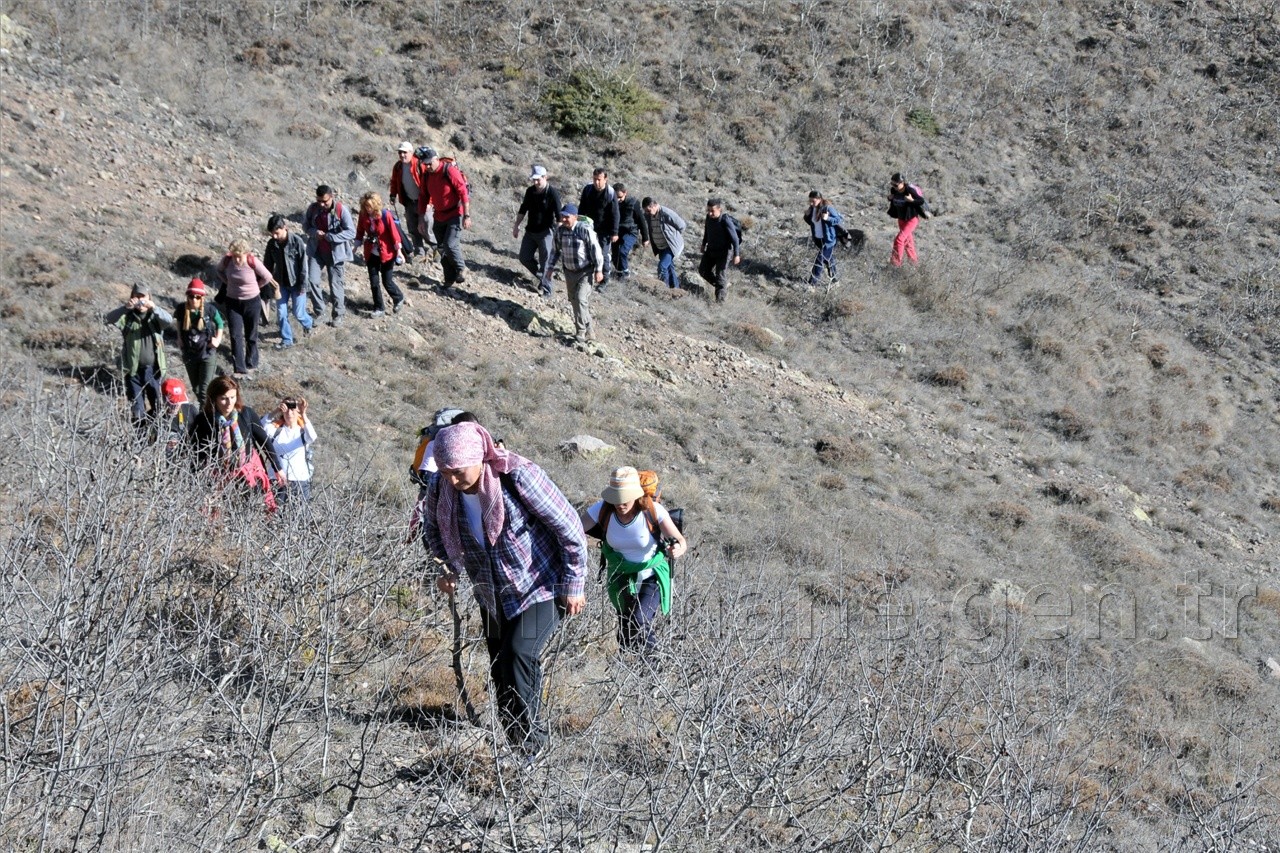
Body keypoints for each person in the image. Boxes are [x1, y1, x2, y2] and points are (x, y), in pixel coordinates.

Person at [421, 422, 587, 757]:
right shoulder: (442, 485)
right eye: (446, 471)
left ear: (479, 457)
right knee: (500, 666)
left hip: (541, 585)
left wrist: (573, 583)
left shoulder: (518, 476)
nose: (453, 479)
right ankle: (514, 743)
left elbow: (570, 526)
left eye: (458, 471)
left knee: (519, 653)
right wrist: (445, 567)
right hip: (491, 591)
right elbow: (433, 528)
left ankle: (532, 748)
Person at [581, 466, 686, 654]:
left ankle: (654, 669)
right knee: (625, 627)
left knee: (639, 619)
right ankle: (628, 670)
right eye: (615, 499)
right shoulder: (602, 509)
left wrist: (677, 549)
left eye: (624, 499)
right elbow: (575, 529)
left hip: (651, 575)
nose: (619, 504)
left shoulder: (652, 511)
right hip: (620, 575)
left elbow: (681, 541)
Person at [189, 375, 280, 514]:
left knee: (254, 514)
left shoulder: (246, 414)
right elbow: (196, 453)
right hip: (218, 479)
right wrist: (197, 482)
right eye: (224, 398)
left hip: (249, 476)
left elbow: (264, 441)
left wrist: (278, 468)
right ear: (214, 399)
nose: (229, 403)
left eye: (232, 397)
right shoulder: (203, 421)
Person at [104, 285, 175, 430]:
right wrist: (125, 308)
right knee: (137, 409)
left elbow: (168, 320)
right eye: (137, 296)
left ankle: (156, 436)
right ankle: (139, 440)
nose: (140, 301)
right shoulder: (127, 317)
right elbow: (108, 318)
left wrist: (154, 307)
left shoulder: (155, 317)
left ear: (149, 298)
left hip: (153, 370)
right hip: (132, 370)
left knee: (158, 406)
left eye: (143, 297)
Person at [542, 204, 604, 344]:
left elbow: (596, 250)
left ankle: (580, 331)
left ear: (575, 217)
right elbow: (555, 251)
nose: (563, 219)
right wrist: (550, 268)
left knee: (581, 299)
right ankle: (589, 329)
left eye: (566, 216)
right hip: (569, 272)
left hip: (585, 271)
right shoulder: (560, 231)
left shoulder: (584, 230)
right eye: (562, 216)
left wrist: (599, 270)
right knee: (574, 300)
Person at [215, 238, 276, 380]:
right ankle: (240, 368)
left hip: (252, 302)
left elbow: (267, 276)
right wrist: (227, 282)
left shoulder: (251, 261)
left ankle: (252, 362)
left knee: (251, 334)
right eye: (234, 256)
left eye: (239, 256)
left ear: (246, 254)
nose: (236, 259)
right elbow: (219, 271)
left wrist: (256, 286)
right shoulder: (227, 260)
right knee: (235, 335)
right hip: (232, 302)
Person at [415, 147, 471, 289]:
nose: (427, 166)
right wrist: (421, 219)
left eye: (429, 163)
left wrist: (466, 215)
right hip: (439, 215)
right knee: (441, 249)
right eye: (424, 164)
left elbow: (463, 192)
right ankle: (449, 279)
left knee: (450, 244)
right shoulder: (426, 175)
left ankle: (462, 268)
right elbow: (423, 197)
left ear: (436, 159)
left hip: (455, 214)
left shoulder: (449, 171)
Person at [304, 184, 357, 326]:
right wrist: (315, 232)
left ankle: (338, 314)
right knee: (312, 281)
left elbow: (351, 232)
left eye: (325, 201)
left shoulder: (341, 210)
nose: (322, 204)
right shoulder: (313, 208)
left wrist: (331, 237)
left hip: (336, 254)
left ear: (331, 197)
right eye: (319, 201)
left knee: (335, 285)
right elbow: (306, 226)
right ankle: (320, 312)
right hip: (316, 252)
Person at [263, 214, 314, 350]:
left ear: (284, 228)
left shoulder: (297, 242)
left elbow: (304, 267)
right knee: (281, 312)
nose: (274, 236)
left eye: (276, 233)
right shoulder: (272, 244)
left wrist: (303, 286)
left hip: (297, 284)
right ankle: (287, 340)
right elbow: (267, 266)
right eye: (271, 233)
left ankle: (308, 324)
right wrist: (266, 284)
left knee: (299, 314)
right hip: (280, 285)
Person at [355, 191, 408, 317]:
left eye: (370, 206)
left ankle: (398, 297)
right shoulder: (363, 215)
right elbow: (360, 231)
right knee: (374, 282)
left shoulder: (385, 215)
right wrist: (355, 247)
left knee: (387, 281)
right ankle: (379, 308)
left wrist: (399, 251)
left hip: (387, 253)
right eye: (365, 206)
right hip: (371, 252)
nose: (368, 209)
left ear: (375, 205)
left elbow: (394, 234)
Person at [512, 165, 561, 292]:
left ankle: (547, 289)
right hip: (530, 231)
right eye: (533, 180)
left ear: (545, 178)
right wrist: (517, 225)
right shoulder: (530, 191)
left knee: (546, 262)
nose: (535, 182)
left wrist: (558, 233)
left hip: (546, 232)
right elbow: (523, 209)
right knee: (524, 257)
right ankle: (541, 276)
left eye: (538, 179)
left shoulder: (552, 193)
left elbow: (559, 216)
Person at [175, 278, 224, 405]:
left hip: (207, 353)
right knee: (196, 388)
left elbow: (220, 323)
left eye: (197, 297)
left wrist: (217, 339)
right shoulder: (181, 309)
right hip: (189, 353)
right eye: (191, 297)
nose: (194, 300)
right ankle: (207, 410)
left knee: (204, 390)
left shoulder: (209, 309)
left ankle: (206, 417)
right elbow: (179, 323)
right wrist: (179, 338)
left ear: (202, 297)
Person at [261, 395, 316, 506]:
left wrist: (303, 414)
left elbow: (312, 437)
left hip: (299, 481)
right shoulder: (276, 431)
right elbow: (261, 425)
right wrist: (276, 410)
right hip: (277, 480)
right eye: (286, 408)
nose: (289, 412)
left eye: (293, 408)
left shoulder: (302, 432)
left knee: (300, 517)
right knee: (275, 515)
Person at [389, 141, 435, 262]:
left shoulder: (419, 164)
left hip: (423, 201)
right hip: (409, 201)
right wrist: (393, 195)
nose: (402, 155)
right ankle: (419, 252)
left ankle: (437, 249)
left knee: (426, 225)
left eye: (404, 152)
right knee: (413, 228)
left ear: (411, 152)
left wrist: (430, 202)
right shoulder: (398, 167)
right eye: (400, 152)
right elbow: (394, 181)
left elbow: (429, 185)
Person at [578, 168, 619, 285]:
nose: (596, 182)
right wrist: (579, 222)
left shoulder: (610, 193)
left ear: (605, 179)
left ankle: (604, 280)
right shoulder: (588, 189)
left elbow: (615, 214)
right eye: (595, 179)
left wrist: (614, 232)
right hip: (589, 227)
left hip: (604, 230)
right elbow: (582, 207)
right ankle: (587, 275)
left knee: (603, 254)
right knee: (586, 250)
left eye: (599, 180)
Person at [698, 199, 741, 303]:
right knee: (703, 270)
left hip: (724, 252)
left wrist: (737, 254)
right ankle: (722, 286)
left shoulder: (725, 220)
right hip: (711, 249)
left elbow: (735, 238)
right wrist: (704, 244)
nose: (710, 213)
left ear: (719, 209)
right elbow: (707, 232)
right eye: (708, 210)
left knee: (720, 276)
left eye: (712, 211)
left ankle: (720, 303)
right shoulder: (708, 217)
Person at [642, 197, 687, 290]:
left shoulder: (666, 213)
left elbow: (682, 225)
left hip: (670, 246)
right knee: (669, 268)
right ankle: (676, 290)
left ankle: (663, 290)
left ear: (654, 206)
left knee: (662, 267)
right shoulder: (648, 215)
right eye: (646, 211)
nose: (647, 213)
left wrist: (673, 236)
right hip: (660, 246)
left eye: (648, 210)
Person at [804, 191, 845, 287]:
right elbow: (812, 223)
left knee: (820, 259)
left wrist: (828, 219)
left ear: (819, 199)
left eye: (813, 201)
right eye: (810, 201)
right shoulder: (812, 208)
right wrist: (806, 216)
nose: (811, 203)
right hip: (818, 240)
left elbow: (838, 219)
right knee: (829, 259)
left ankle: (812, 284)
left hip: (829, 241)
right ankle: (835, 281)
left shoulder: (827, 208)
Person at [612, 183, 649, 280]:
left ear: (625, 193)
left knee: (623, 251)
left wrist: (645, 238)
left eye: (620, 197)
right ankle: (619, 274)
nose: (618, 199)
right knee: (615, 256)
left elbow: (641, 221)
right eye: (615, 197)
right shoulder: (612, 203)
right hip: (617, 232)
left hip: (630, 232)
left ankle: (625, 273)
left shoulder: (633, 203)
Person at [887, 172, 925, 267]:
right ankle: (914, 264)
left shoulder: (909, 190)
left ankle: (895, 264)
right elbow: (894, 201)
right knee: (908, 243)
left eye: (896, 185)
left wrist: (912, 200)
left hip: (911, 220)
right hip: (901, 220)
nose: (894, 187)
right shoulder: (894, 190)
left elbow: (921, 201)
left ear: (902, 183)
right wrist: (889, 198)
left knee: (899, 240)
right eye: (892, 184)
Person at [160, 377, 199, 458]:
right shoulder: (155, 417)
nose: (176, 405)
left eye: (180, 401)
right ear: (163, 399)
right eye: (173, 403)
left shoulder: (191, 410)